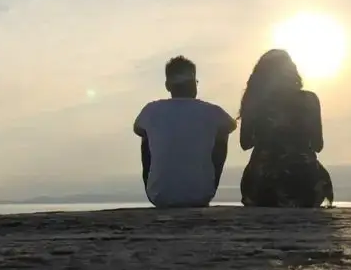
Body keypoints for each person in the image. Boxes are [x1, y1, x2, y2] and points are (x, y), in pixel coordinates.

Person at [133, 56, 237, 208]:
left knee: (146, 133)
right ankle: (207, 184)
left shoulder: (151, 110)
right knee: (221, 131)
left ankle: (158, 184)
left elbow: (138, 129)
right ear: (194, 84)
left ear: (168, 86)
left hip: (159, 196)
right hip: (200, 196)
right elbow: (232, 125)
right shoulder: (212, 111)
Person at [238, 49, 334, 208]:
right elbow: (318, 145)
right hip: (306, 184)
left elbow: (245, 143)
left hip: (261, 185)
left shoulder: (255, 100)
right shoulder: (309, 99)